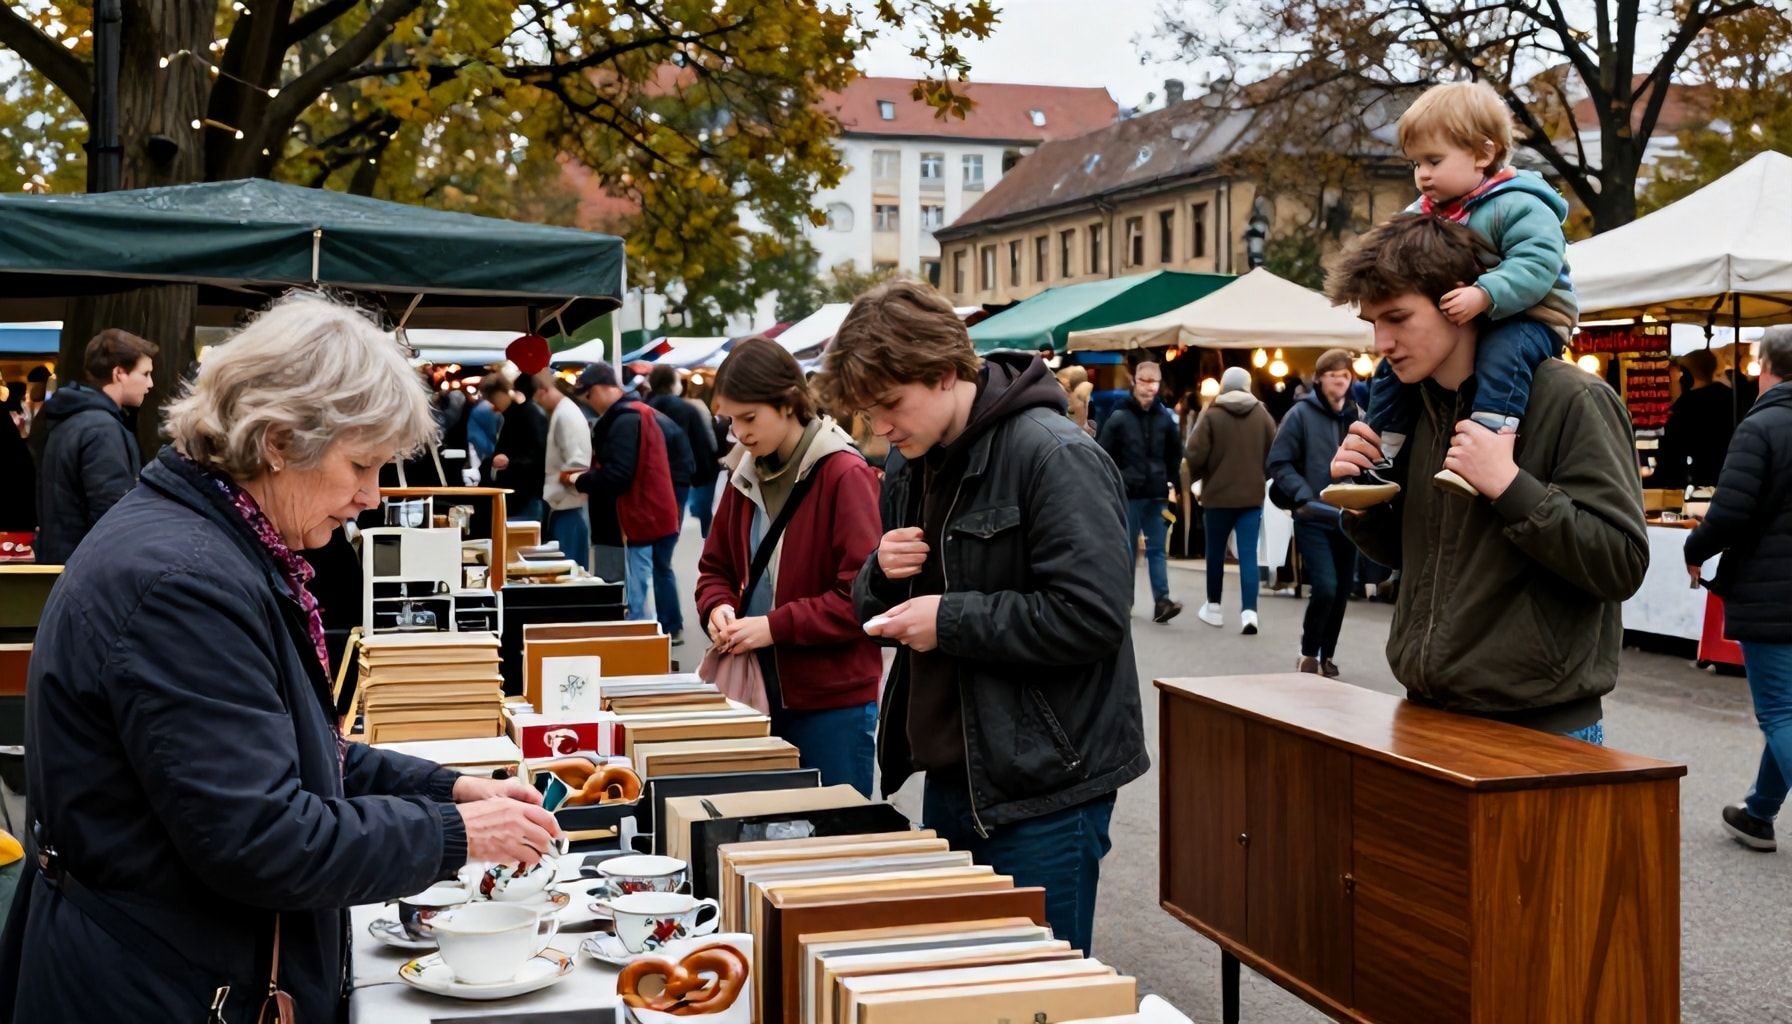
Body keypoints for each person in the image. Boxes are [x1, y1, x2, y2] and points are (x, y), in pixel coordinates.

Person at [0, 293, 559, 1021]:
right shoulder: (184, 580)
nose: (371, 496)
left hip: (164, 964)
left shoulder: (210, 544)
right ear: (279, 441)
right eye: (361, 464)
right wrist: (457, 834)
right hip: (155, 985)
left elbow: (296, 749)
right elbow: (260, 838)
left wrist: (451, 792)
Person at [827, 280, 1148, 956]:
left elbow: (1093, 617)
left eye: (889, 405)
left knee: (1035, 990)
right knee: (967, 982)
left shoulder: (1054, 454)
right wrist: (879, 572)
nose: (879, 429)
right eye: (867, 413)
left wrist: (951, 621)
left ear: (944, 374)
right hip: (957, 773)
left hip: (1047, 787)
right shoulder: (912, 464)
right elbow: (873, 608)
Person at [1329, 214, 1647, 741]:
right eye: (1372, 324)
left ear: (1462, 302)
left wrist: (1510, 486)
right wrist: (1364, 504)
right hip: (1423, 712)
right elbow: (1422, 560)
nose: (1381, 342)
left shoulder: (1575, 398)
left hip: (1541, 728)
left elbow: (1622, 563)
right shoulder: (1414, 408)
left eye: (1399, 318)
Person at [1331, 81, 1578, 507]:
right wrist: (1363, 509)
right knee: (1386, 377)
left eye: (1434, 160)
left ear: (1483, 154)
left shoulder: (1518, 203)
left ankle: (1490, 437)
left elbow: (1538, 263)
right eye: (1415, 163)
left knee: (1505, 353)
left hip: (1534, 314)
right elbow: (1401, 556)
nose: (1422, 174)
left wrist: (1485, 293)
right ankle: (1383, 451)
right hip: (1486, 310)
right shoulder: (1429, 209)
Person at [695, 338, 883, 795]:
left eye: (749, 417)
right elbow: (713, 569)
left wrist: (773, 627)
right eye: (731, 420)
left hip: (830, 702)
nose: (739, 432)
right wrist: (717, 608)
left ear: (787, 403)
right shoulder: (743, 472)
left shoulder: (844, 473)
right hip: (755, 690)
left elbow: (861, 597)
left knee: (834, 839)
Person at [1683, 327, 1792, 853]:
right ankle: (1758, 813)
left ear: (1764, 366)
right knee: (1789, 709)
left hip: (1773, 589)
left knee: (1780, 711)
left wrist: (1695, 550)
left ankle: (1759, 812)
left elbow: (1729, 512)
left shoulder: (1763, 424)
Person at [1267, 349, 1362, 676]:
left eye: (1346, 375)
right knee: (1325, 586)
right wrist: (1303, 495)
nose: (1341, 380)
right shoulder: (1300, 415)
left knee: (1342, 590)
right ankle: (1308, 652)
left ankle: (1328, 654)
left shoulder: (1355, 415)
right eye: (1334, 374)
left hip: (1348, 515)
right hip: (1312, 516)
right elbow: (1278, 462)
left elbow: (1367, 461)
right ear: (1319, 379)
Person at [32, 329, 157, 564]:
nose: (150, 383)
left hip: (64, 562)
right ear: (119, 373)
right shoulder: (102, 430)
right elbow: (112, 515)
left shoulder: (70, 420)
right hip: (88, 568)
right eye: (145, 373)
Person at [571, 362, 679, 624]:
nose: (589, 402)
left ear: (599, 389)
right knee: (655, 575)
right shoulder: (638, 412)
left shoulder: (625, 419)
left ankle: (645, 641)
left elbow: (619, 475)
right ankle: (666, 628)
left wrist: (581, 480)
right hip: (655, 509)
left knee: (637, 591)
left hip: (638, 515)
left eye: (588, 395)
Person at [1185, 366, 1277, 634]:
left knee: (1215, 553)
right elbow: (1274, 454)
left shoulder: (1213, 414)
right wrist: (1259, 474)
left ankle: (1213, 607)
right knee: (1249, 555)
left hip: (1217, 496)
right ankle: (1250, 613)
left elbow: (1194, 454)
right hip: (1251, 496)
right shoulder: (1262, 416)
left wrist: (1203, 476)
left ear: (1224, 385)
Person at [1096, 361, 1184, 623]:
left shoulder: (1165, 419)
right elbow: (1104, 452)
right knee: (1127, 549)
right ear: (1134, 381)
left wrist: (1170, 483)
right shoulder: (1119, 416)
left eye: (1153, 382)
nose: (1149, 387)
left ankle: (1162, 601)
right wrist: (1116, 482)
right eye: (1144, 381)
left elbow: (1174, 454)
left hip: (1155, 492)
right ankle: (1124, 602)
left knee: (1157, 549)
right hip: (1128, 493)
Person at [647, 365, 719, 537]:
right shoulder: (685, 409)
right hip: (681, 475)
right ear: (672, 383)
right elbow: (700, 443)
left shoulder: (644, 407)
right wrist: (704, 472)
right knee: (674, 526)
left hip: (652, 476)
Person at [1656, 349, 1737, 490]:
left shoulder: (1686, 405)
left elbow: (1670, 452)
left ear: (1686, 373)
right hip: (1730, 475)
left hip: (1696, 481)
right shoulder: (1731, 398)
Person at [538, 371, 593, 570]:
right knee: (568, 567)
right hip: (563, 503)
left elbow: (578, 461)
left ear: (544, 391)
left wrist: (566, 479)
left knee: (570, 570)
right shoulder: (564, 411)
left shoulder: (566, 414)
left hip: (567, 504)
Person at [493, 372, 550, 523]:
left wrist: (510, 462)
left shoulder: (527, 414)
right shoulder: (529, 413)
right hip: (526, 489)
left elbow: (537, 454)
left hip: (526, 490)